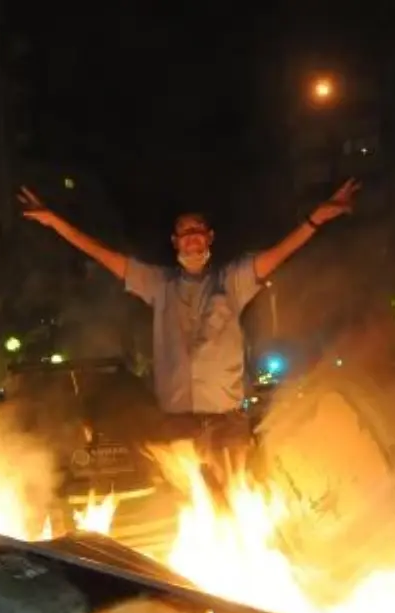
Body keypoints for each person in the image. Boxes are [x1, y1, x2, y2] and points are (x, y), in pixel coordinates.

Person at [18, 179, 361, 471]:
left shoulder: (233, 280)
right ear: (175, 242)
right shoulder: (158, 285)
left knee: (235, 504)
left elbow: (279, 252)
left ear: (210, 237)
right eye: (184, 232)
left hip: (226, 422)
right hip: (176, 423)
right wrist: (54, 222)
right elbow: (104, 255)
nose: (192, 237)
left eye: (198, 231)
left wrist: (317, 218)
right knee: (187, 508)